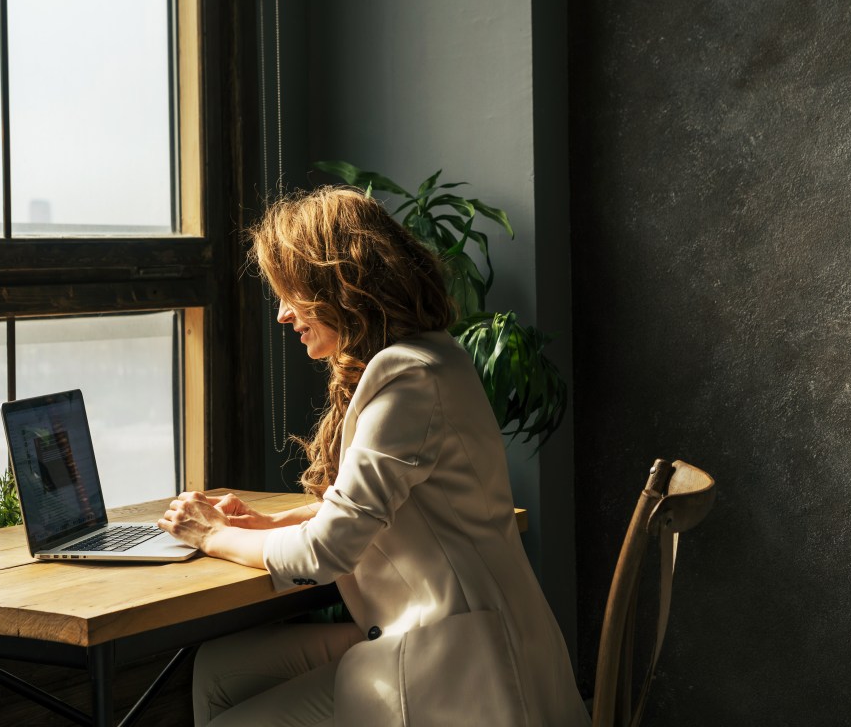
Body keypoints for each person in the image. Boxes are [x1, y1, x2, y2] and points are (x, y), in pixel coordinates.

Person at [158, 187, 590, 726]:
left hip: (455, 662)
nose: (282, 314)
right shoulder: (433, 356)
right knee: (219, 668)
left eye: (291, 293)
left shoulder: (408, 379)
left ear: (341, 287)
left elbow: (325, 553)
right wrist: (269, 522)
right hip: (460, 628)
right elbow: (377, 504)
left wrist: (210, 534)